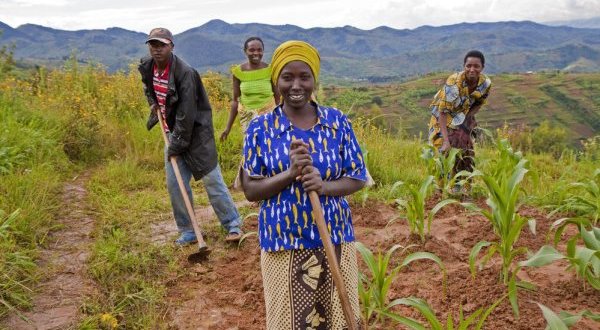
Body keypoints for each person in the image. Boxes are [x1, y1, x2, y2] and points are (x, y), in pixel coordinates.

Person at [241, 40, 365, 329]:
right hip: (283, 241)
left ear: (314, 80)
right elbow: (250, 190)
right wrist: (290, 173)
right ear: (277, 81)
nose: (296, 85)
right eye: (288, 77)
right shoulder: (260, 128)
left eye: (304, 77)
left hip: (333, 236)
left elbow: (357, 177)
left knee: (338, 316)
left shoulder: (337, 122)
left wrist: (322, 186)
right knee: (289, 319)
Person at [138, 27, 243, 244]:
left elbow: (186, 115)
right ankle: (188, 230)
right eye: (153, 45)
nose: (157, 50)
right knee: (175, 184)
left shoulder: (185, 73)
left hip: (195, 135)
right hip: (172, 134)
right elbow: (149, 88)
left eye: (162, 45)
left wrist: (175, 146)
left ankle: (233, 224)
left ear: (171, 47)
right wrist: (153, 104)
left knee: (212, 180)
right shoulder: (147, 66)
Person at [428, 50, 492, 192]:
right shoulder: (454, 83)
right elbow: (442, 112)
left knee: (465, 151)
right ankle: (440, 189)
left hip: (463, 114)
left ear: (482, 67)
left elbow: (478, 104)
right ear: (464, 66)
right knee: (444, 150)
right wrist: (446, 140)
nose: (472, 69)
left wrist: (466, 123)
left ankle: (463, 187)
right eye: (468, 65)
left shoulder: (485, 84)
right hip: (443, 116)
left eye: (476, 66)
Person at [221, 36, 279, 140]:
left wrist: (282, 119)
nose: (256, 53)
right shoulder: (238, 72)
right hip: (247, 117)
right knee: (251, 149)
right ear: (245, 51)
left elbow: (278, 98)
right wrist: (227, 128)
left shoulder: (270, 70)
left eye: (259, 50)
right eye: (251, 50)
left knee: (269, 147)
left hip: (269, 115)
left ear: (263, 51)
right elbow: (235, 101)